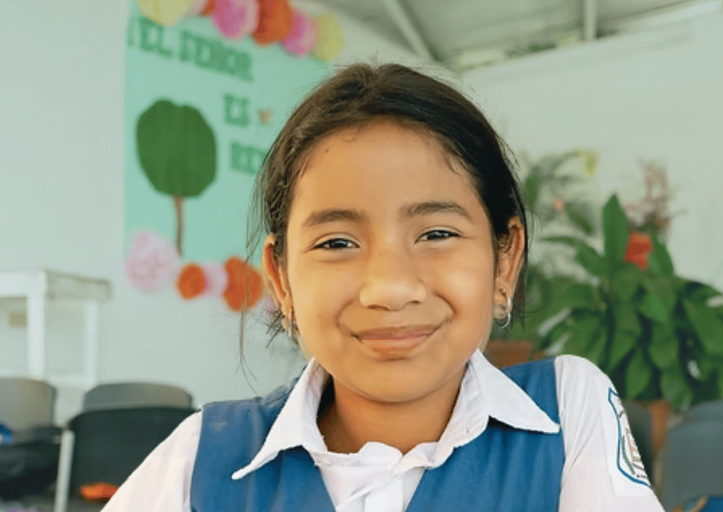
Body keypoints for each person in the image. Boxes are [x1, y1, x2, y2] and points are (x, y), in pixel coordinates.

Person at [102, 63, 664, 511]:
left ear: (505, 260)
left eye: (437, 234)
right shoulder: (202, 457)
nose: (391, 288)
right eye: (336, 242)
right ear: (282, 280)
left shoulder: (566, 410)